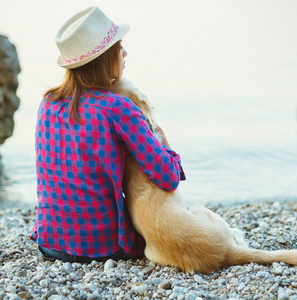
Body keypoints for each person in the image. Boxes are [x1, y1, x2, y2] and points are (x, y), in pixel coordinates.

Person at [30, 6, 186, 263]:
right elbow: (168, 177)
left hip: (49, 244)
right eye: (119, 47)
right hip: (102, 248)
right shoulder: (116, 107)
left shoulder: (47, 102)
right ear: (103, 57)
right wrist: (158, 132)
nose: (125, 52)